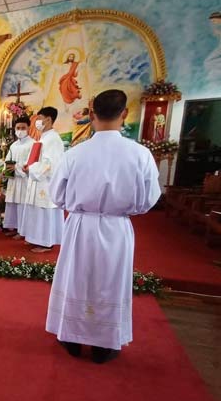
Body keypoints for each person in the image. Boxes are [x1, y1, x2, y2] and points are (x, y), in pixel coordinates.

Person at [46, 89, 161, 364]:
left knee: (76, 279)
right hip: (116, 227)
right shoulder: (140, 154)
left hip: (80, 225)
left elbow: (57, 195)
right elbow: (149, 199)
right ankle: (104, 345)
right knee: (111, 282)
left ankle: (71, 337)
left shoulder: (75, 154)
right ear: (125, 114)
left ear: (92, 114)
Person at [20, 106, 65, 253]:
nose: (36, 122)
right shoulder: (44, 137)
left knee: (44, 211)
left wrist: (32, 169)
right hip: (37, 179)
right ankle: (36, 238)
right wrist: (28, 166)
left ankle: (46, 242)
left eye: (39, 119)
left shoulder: (53, 139)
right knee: (36, 211)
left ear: (48, 119)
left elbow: (50, 164)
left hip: (45, 182)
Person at [3, 116, 34, 239]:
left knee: (22, 204)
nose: (20, 130)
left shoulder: (32, 144)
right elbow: (7, 159)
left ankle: (23, 231)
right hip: (13, 179)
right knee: (13, 203)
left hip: (23, 179)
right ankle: (14, 227)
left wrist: (17, 167)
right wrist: (5, 170)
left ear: (28, 128)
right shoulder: (13, 145)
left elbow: (31, 162)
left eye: (23, 128)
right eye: (18, 128)